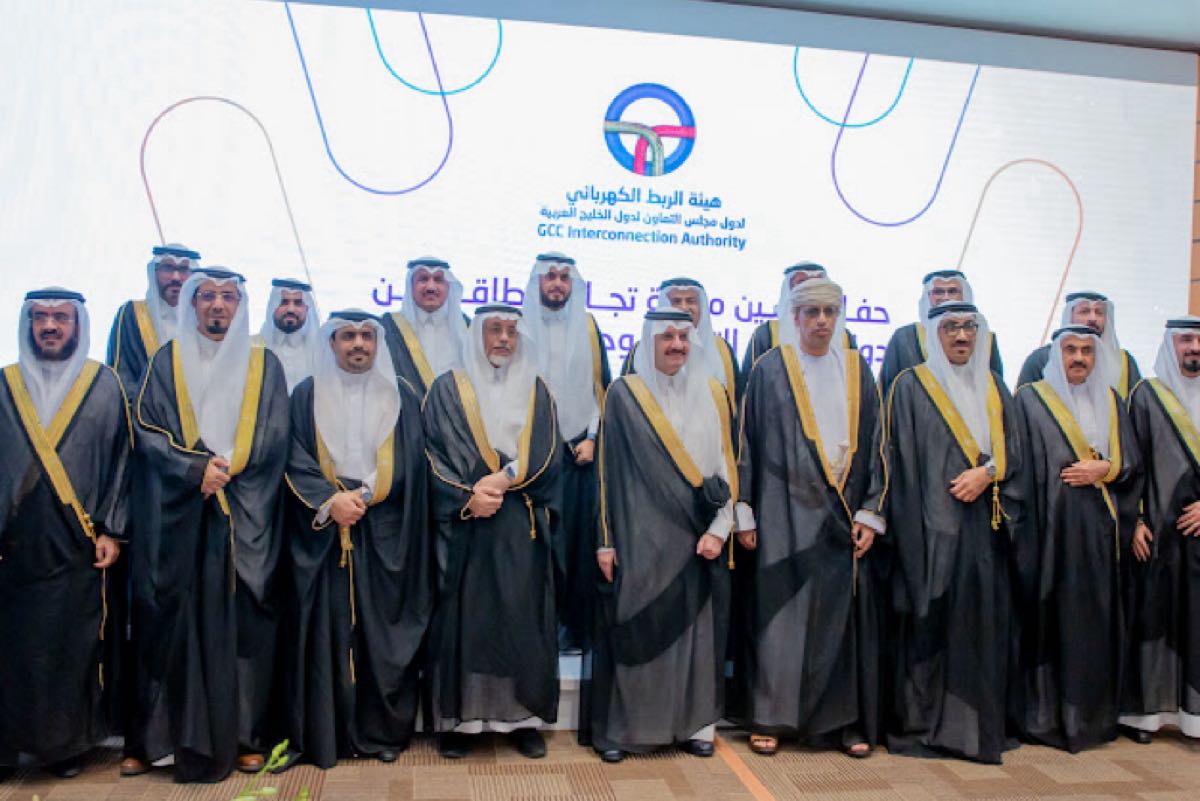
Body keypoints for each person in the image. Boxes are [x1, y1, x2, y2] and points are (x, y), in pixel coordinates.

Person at [129, 268, 289, 782]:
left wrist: (228, 472)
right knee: (170, 624)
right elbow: (146, 428)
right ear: (192, 304)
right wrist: (193, 469)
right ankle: (158, 740)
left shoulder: (265, 364)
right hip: (181, 511)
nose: (218, 305)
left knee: (245, 627)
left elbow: (275, 435)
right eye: (207, 296)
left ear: (240, 306)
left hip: (244, 510)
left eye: (228, 297)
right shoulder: (166, 359)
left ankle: (245, 738)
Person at [586, 308, 744, 763]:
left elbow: (727, 466)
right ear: (649, 341)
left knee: (696, 636)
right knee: (638, 630)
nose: (676, 345)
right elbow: (605, 472)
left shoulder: (713, 393)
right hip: (638, 537)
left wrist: (720, 529)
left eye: (683, 337)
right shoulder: (624, 393)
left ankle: (695, 727)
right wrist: (605, 539)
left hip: (699, 538)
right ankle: (628, 729)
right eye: (666, 337)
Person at [735, 277, 885, 759]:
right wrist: (744, 511)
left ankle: (841, 725)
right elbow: (746, 442)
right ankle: (772, 719)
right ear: (795, 317)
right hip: (782, 513)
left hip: (844, 515)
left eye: (829, 312)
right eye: (812, 312)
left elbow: (880, 445)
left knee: (840, 621)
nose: (822, 321)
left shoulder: (858, 369)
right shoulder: (769, 367)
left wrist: (871, 511)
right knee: (781, 618)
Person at [281, 311, 432, 768]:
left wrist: (364, 494)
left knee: (380, 634)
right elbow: (293, 456)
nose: (358, 344)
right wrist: (330, 500)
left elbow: (412, 460)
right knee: (325, 633)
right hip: (324, 526)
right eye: (348, 336)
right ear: (331, 343)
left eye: (366, 336)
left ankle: (381, 732)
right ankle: (325, 734)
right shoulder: (306, 393)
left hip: (385, 527)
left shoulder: (401, 393)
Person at [885, 302, 1026, 763]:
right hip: (928, 535)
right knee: (929, 629)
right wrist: (915, 533)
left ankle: (976, 726)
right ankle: (925, 726)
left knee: (979, 628)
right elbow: (898, 466)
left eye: (969, 327)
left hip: (985, 533)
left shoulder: (995, 387)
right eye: (950, 327)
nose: (962, 336)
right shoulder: (909, 386)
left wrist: (987, 474)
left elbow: (1017, 453)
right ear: (934, 334)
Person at [422, 304, 562, 760]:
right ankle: (459, 722)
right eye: (494, 330)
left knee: (520, 620)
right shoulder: (447, 387)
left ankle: (522, 720)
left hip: (520, 523)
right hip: (465, 524)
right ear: (476, 335)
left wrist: (504, 479)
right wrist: (467, 497)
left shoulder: (538, 389)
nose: (503, 338)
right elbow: (430, 455)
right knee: (465, 622)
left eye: (511, 331)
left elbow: (547, 452)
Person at [0, 289, 129, 780]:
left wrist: (113, 530)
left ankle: (64, 748)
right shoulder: (5, 384)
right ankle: (7, 747)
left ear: (78, 325)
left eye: (60, 317)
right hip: (14, 544)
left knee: (71, 647)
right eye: (40, 317)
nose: (50, 326)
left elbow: (122, 463)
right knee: (12, 650)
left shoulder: (104, 384)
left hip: (79, 542)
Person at [1013, 325, 1141, 752]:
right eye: (1070, 349)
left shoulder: (1112, 401)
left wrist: (1105, 469)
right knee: (1050, 622)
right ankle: (1046, 718)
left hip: (1100, 537)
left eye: (1087, 350)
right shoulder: (1030, 399)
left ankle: (1092, 717)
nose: (1079, 358)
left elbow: (1133, 463)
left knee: (1093, 624)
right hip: (1049, 536)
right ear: (1056, 355)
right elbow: (1018, 466)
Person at [521, 252, 611, 651]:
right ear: (537, 282)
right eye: (550, 277)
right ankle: (535, 630)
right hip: (529, 459)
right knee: (534, 543)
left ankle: (572, 631)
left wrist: (593, 437)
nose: (557, 284)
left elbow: (599, 389)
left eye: (563, 277)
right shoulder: (518, 327)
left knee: (574, 543)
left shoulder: (589, 327)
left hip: (578, 455)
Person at [1120, 316, 1200, 743]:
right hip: (1157, 533)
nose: (1194, 348)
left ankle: (1194, 717)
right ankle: (1145, 717)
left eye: (1199, 341)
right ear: (1171, 344)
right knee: (1153, 620)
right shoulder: (1146, 395)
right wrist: (1133, 522)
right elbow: (1131, 464)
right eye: (1186, 339)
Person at [621, 277, 739, 411]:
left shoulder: (723, 349)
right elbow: (626, 400)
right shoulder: (643, 350)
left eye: (691, 301)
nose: (684, 307)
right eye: (676, 301)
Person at [878, 270, 1003, 396]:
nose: (946, 297)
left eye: (952, 291)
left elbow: (996, 389)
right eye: (938, 292)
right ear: (927, 297)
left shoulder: (985, 339)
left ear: (965, 295)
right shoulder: (904, 337)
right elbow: (889, 389)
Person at [107, 244, 200, 392]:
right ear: (155, 272)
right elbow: (121, 373)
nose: (176, 277)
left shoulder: (204, 319)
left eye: (183, 270)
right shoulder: (133, 313)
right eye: (168, 268)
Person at [1016, 291, 1141, 398]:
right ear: (1069, 316)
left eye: (1099, 312)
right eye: (1084, 311)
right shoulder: (1041, 359)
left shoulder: (1125, 362)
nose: (1093, 318)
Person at [740, 262, 856, 371]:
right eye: (802, 282)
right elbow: (752, 381)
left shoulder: (845, 337)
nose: (811, 289)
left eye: (817, 283)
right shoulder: (767, 334)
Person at [381, 256, 468, 395]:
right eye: (423, 279)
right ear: (410, 286)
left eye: (438, 280)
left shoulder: (468, 328)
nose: (431, 287)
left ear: (449, 286)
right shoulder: (388, 327)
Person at [257, 277, 320, 393]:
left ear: (307, 309)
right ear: (273, 307)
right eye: (284, 302)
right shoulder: (253, 348)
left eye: (298, 303)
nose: (291, 309)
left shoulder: (321, 353)